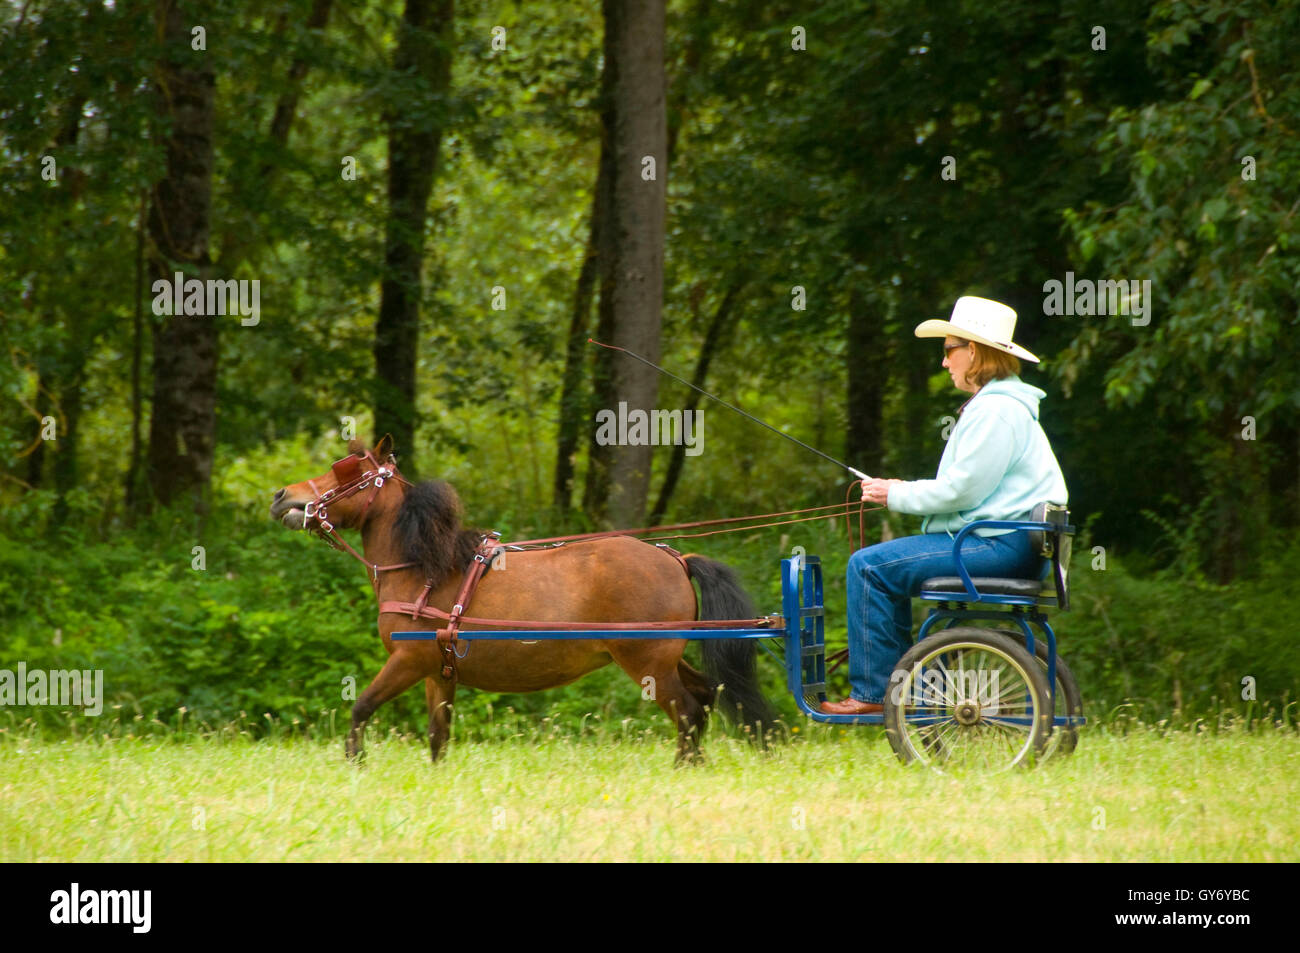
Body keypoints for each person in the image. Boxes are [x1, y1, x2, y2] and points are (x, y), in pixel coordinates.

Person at [822, 296, 1068, 715]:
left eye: (948, 350)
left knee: (868, 568)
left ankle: (875, 695)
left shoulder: (996, 412)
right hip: (1011, 544)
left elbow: (962, 492)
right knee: (883, 566)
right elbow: (968, 488)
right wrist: (901, 488)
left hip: (998, 545)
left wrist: (892, 493)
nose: (944, 362)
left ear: (973, 351)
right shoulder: (1002, 406)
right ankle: (895, 686)